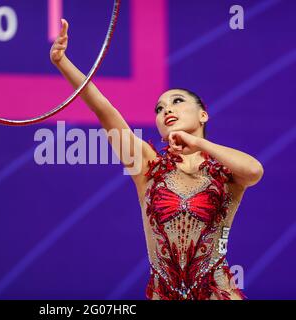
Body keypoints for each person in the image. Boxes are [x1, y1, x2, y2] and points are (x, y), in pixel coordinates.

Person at [50, 18, 264, 300]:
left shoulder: (225, 169)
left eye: (177, 101)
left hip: (218, 294)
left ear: (203, 114)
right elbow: (104, 110)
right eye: (159, 108)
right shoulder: (148, 166)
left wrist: (198, 143)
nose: (166, 110)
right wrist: (62, 62)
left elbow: (254, 170)